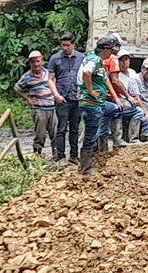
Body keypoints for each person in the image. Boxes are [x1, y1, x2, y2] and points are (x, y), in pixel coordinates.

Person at [77, 33, 122, 174]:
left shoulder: (99, 61)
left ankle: (91, 160)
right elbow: (86, 72)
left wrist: (115, 98)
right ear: (104, 50)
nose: (112, 53)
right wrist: (91, 90)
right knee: (90, 134)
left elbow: (105, 79)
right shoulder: (94, 59)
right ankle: (85, 167)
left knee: (113, 112)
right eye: (110, 50)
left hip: (97, 104)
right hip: (91, 104)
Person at [14, 49, 61, 158]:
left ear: (42, 61)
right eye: (33, 62)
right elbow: (16, 88)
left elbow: (55, 84)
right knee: (40, 135)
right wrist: (27, 99)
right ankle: (37, 157)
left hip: (52, 107)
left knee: (55, 133)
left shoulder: (48, 73)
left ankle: (57, 156)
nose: (36, 64)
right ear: (30, 63)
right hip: (39, 109)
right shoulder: (27, 77)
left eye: (38, 61)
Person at [45, 33, 84, 162]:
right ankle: (60, 156)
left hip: (76, 98)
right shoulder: (55, 59)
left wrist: (82, 92)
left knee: (74, 128)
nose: (65, 48)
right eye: (63, 45)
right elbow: (50, 79)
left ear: (73, 44)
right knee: (61, 129)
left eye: (68, 45)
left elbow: (85, 77)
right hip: (62, 98)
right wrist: (56, 95)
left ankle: (74, 156)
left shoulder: (81, 58)